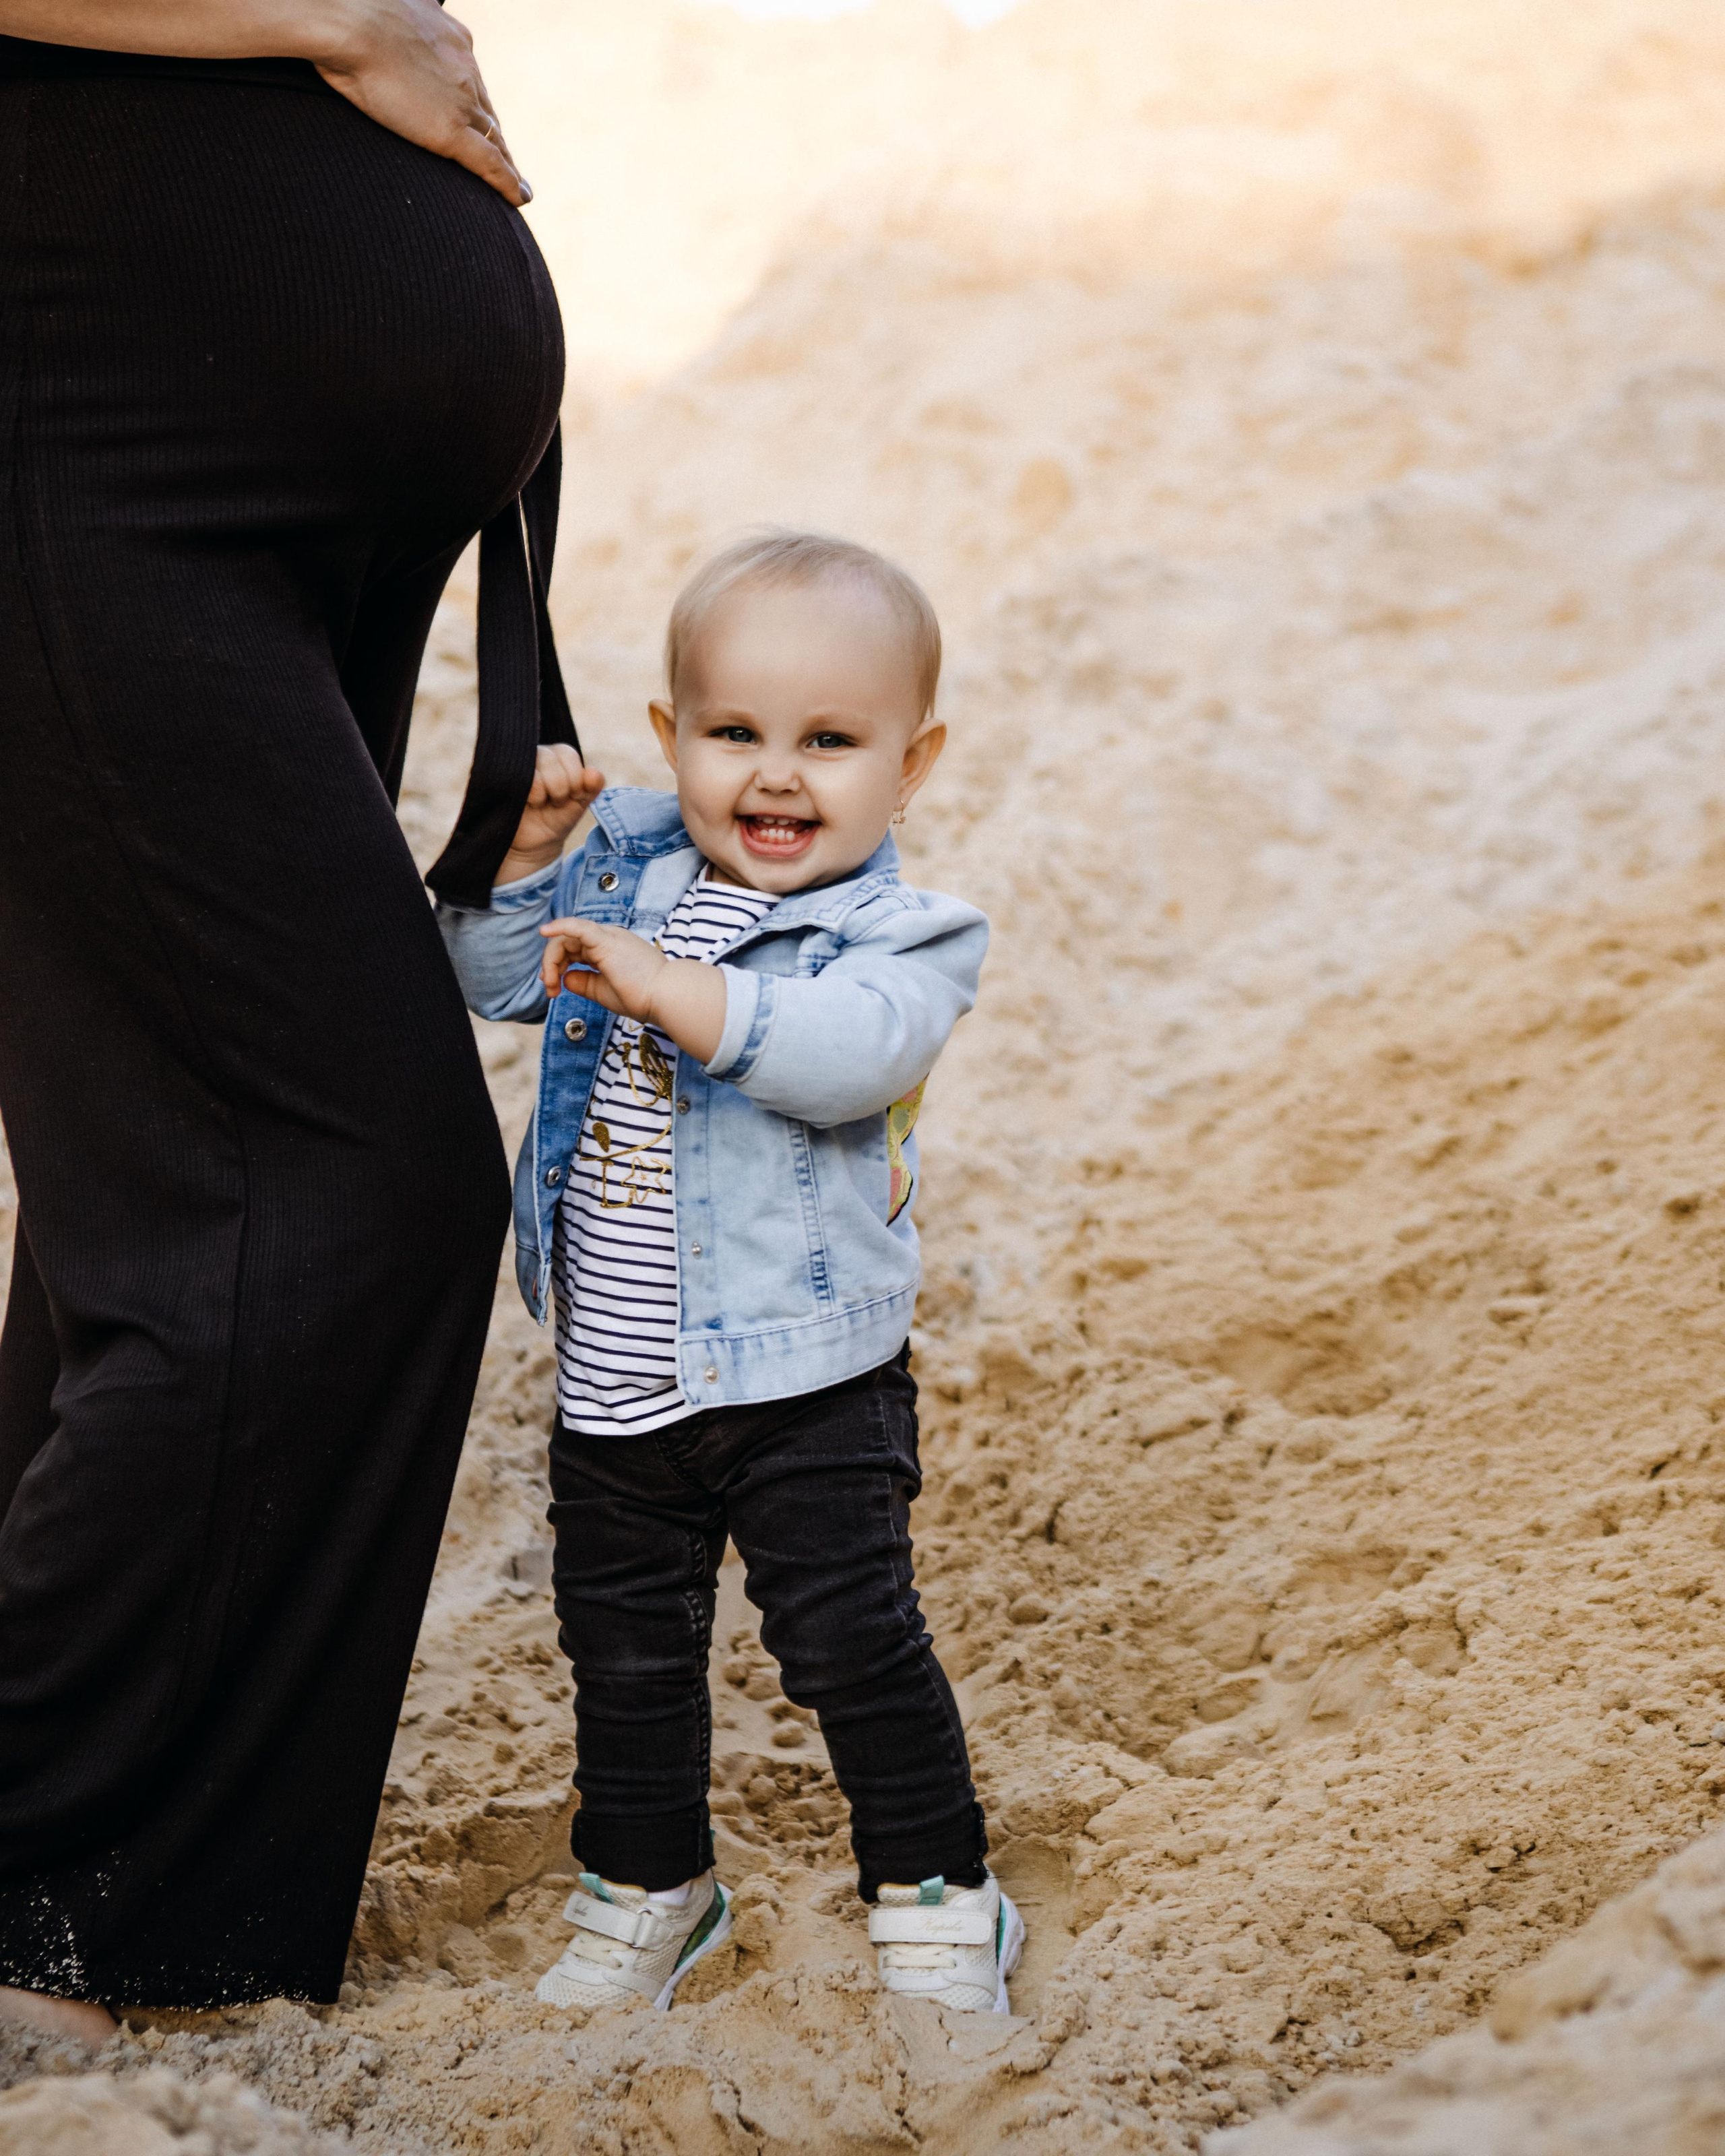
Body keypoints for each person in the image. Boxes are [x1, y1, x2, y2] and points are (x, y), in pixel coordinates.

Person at [0, 0, 571, 2041]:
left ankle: (119, 1921)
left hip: (229, 455)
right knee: (324, 1181)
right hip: (90, 417)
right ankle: (57, 1904)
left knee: (161, 1182)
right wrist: (325, 13)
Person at [437, 530, 1024, 2017]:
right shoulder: (626, 871)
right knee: (625, 1666)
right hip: (617, 1390)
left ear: (912, 761)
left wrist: (670, 985)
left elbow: (843, 1059)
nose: (777, 775)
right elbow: (501, 982)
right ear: (669, 740)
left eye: (830, 741)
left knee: (849, 1647)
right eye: (734, 733)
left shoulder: (902, 933)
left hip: (805, 1389)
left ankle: (939, 1890)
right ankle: (652, 1887)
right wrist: (513, 877)